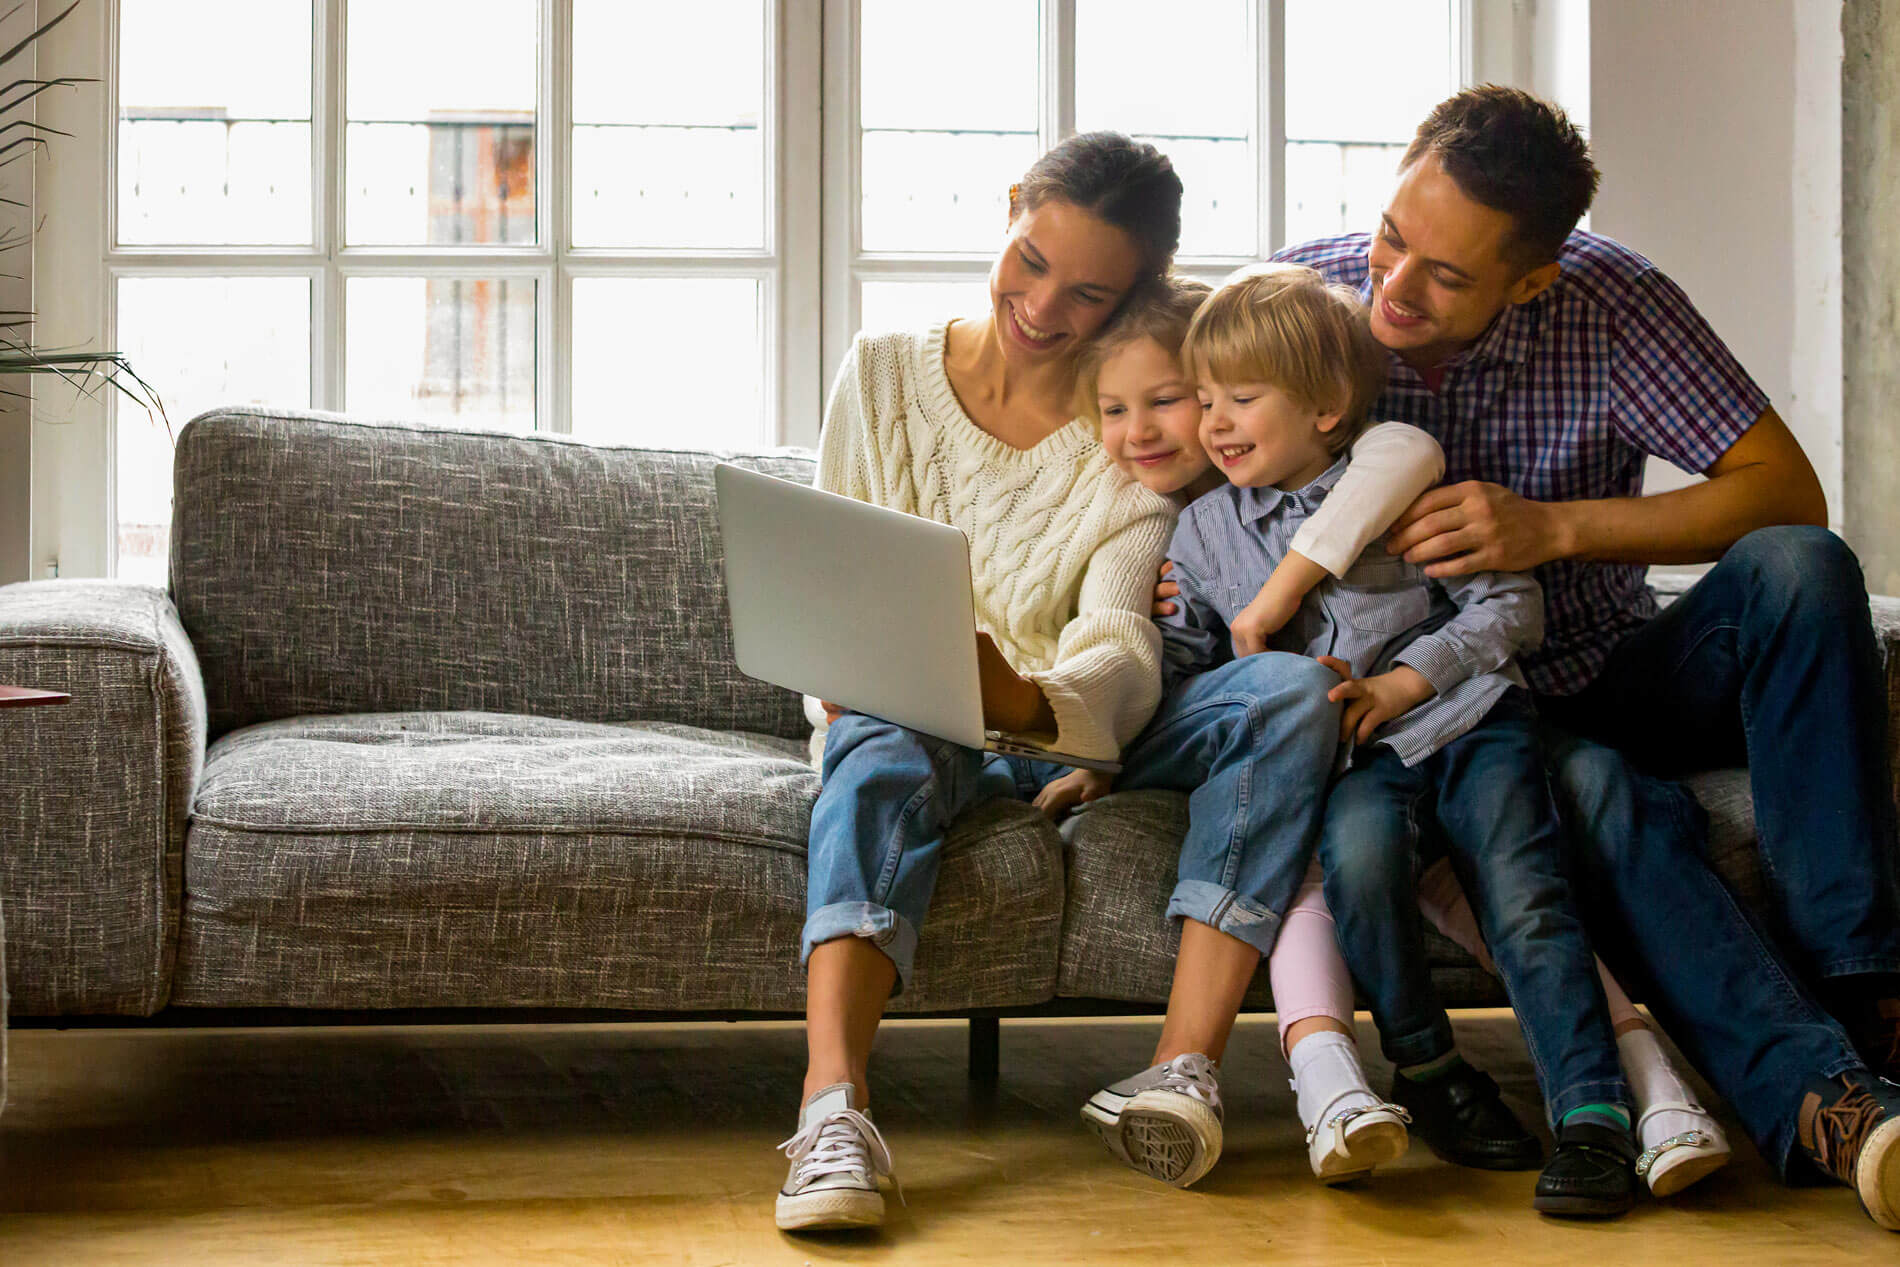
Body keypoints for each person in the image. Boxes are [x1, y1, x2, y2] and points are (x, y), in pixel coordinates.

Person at [1249, 84, 1900, 1229]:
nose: (1389, 289)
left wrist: (1551, 529)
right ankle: (1829, 1099)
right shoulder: (1308, 296)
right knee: (1602, 796)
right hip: (1459, 719)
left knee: (1801, 564)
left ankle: (1863, 983)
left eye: (1442, 276)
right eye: (1390, 240)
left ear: (1531, 280)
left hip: (1608, 664)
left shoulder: (1615, 303)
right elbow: (1173, 436)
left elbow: (1785, 492)